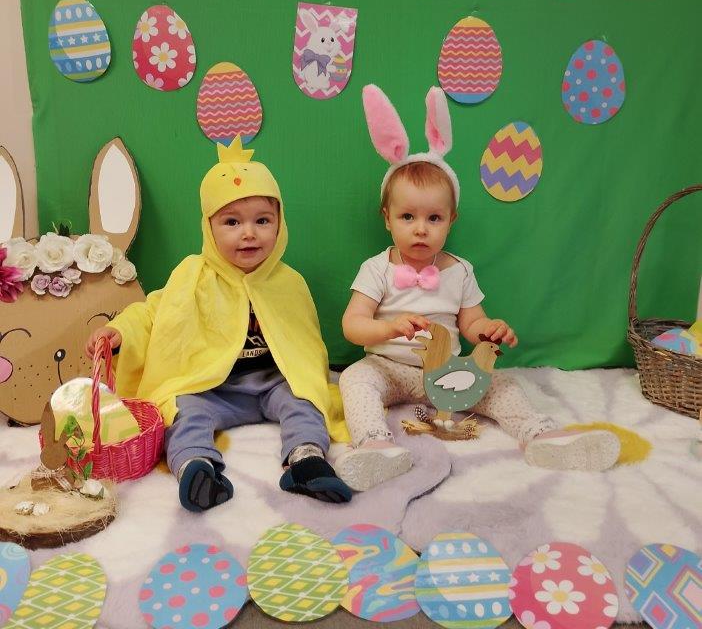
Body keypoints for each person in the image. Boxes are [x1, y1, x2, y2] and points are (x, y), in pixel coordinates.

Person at [334, 85, 620, 491]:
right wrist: (389, 328)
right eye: (407, 217)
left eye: (433, 218)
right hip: (388, 368)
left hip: (445, 373)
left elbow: (471, 323)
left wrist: (488, 330)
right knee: (354, 378)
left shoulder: (459, 270)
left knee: (502, 383)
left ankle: (540, 435)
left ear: (451, 219)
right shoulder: (377, 268)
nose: (420, 229)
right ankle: (374, 445)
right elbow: (353, 325)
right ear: (387, 219)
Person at [86, 138, 352, 510]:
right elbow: (151, 312)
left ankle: (306, 460)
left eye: (262, 220)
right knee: (183, 412)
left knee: (305, 401)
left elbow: (304, 346)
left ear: (280, 224)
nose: (249, 233)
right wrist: (120, 331)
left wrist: (305, 383)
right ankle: (197, 467)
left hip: (272, 383)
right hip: (211, 387)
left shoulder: (288, 282)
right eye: (232, 222)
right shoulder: (192, 275)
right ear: (209, 228)